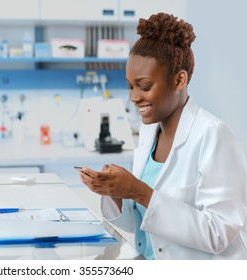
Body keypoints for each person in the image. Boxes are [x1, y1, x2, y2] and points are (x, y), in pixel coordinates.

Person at [79, 12, 247, 259]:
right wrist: (115, 193)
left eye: (145, 86)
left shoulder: (213, 135)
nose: (134, 97)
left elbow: (218, 233)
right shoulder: (149, 132)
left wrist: (140, 191)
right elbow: (142, 226)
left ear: (180, 80)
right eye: (130, 86)